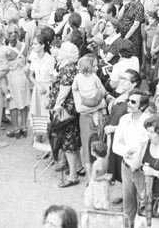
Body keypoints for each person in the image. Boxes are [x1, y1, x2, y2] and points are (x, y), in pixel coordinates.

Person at [113, 88, 150, 225]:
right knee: (128, 204)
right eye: (128, 100)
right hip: (126, 167)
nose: (128, 103)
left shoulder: (148, 121)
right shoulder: (124, 120)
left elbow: (147, 147)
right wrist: (128, 150)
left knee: (145, 204)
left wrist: (137, 152)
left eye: (133, 102)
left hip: (143, 170)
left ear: (142, 106)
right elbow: (115, 146)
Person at [49, 42, 82, 187]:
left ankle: (73, 176)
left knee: (68, 140)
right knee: (71, 138)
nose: (59, 52)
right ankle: (78, 167)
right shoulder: (68, 67)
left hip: (65, 111)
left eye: (62, 50)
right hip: (68, 109)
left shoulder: (68, 69)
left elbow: (64, 91)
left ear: (67, 55)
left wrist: (56, 106)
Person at [84, 141, 109, 211]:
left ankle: (97, 211)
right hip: (104, 183)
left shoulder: (96, 164)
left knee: (97, 199)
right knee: (103, 197)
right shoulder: (105, 160)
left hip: (97, 184)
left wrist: (103, 177)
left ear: (94, 153)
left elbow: (94, 178)